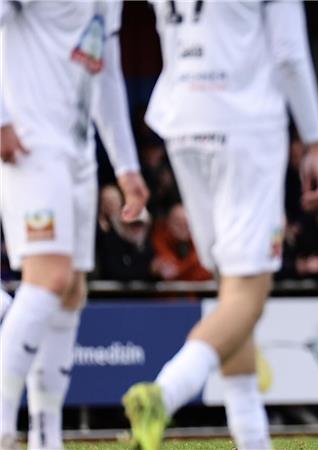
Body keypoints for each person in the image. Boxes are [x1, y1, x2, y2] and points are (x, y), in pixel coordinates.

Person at [121, 2, 318, 450]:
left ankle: (253, 440)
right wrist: (316, 141)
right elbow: (291, 54)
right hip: (244, 126)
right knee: (248, 298)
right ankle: (163, 393)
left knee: (231, 294)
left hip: (182, 124)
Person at [0, 2, 148, 448]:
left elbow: (105, 69)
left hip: (79, 152)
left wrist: (126, 165)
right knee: (50, 279)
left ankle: (48, 436)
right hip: (30, 142)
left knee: (71, 292)